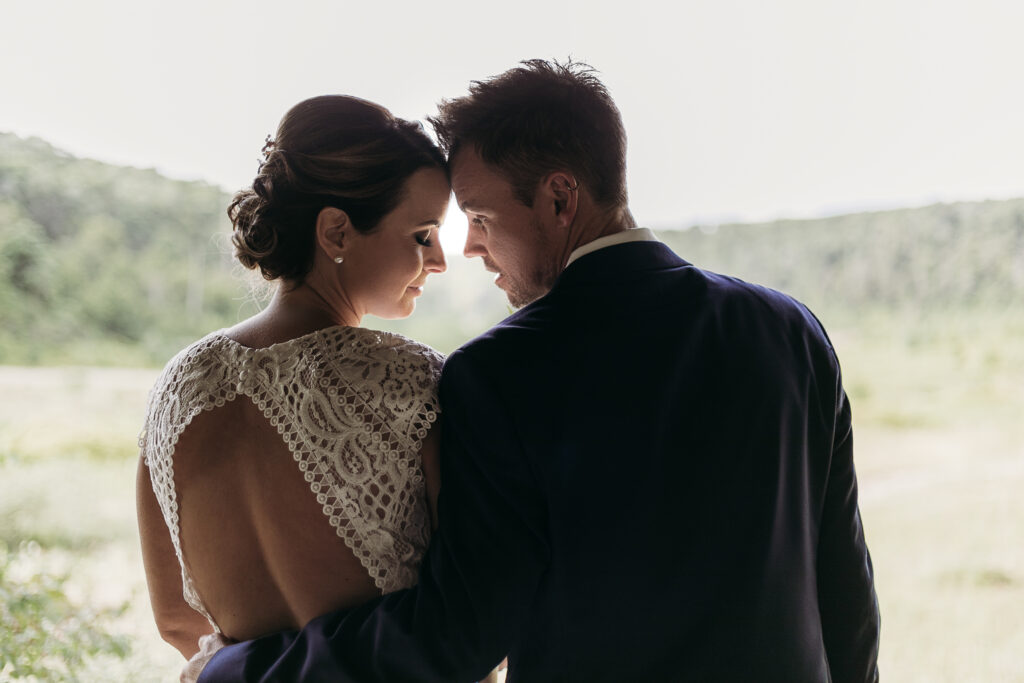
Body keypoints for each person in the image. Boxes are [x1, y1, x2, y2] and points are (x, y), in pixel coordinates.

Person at [199, 60, 880, 683]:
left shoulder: (498, 374)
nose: (469, 247)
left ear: (559, 199)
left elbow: (456, 634)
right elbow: (846, 590)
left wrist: (239, 669)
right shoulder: (792, 331)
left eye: (480, 216)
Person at [135, 95, 453, 682]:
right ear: (336, 231)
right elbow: (464, 615)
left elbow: (177, 620)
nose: (439, 260)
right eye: (423, 234)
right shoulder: (413, 383)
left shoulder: (175, 389)